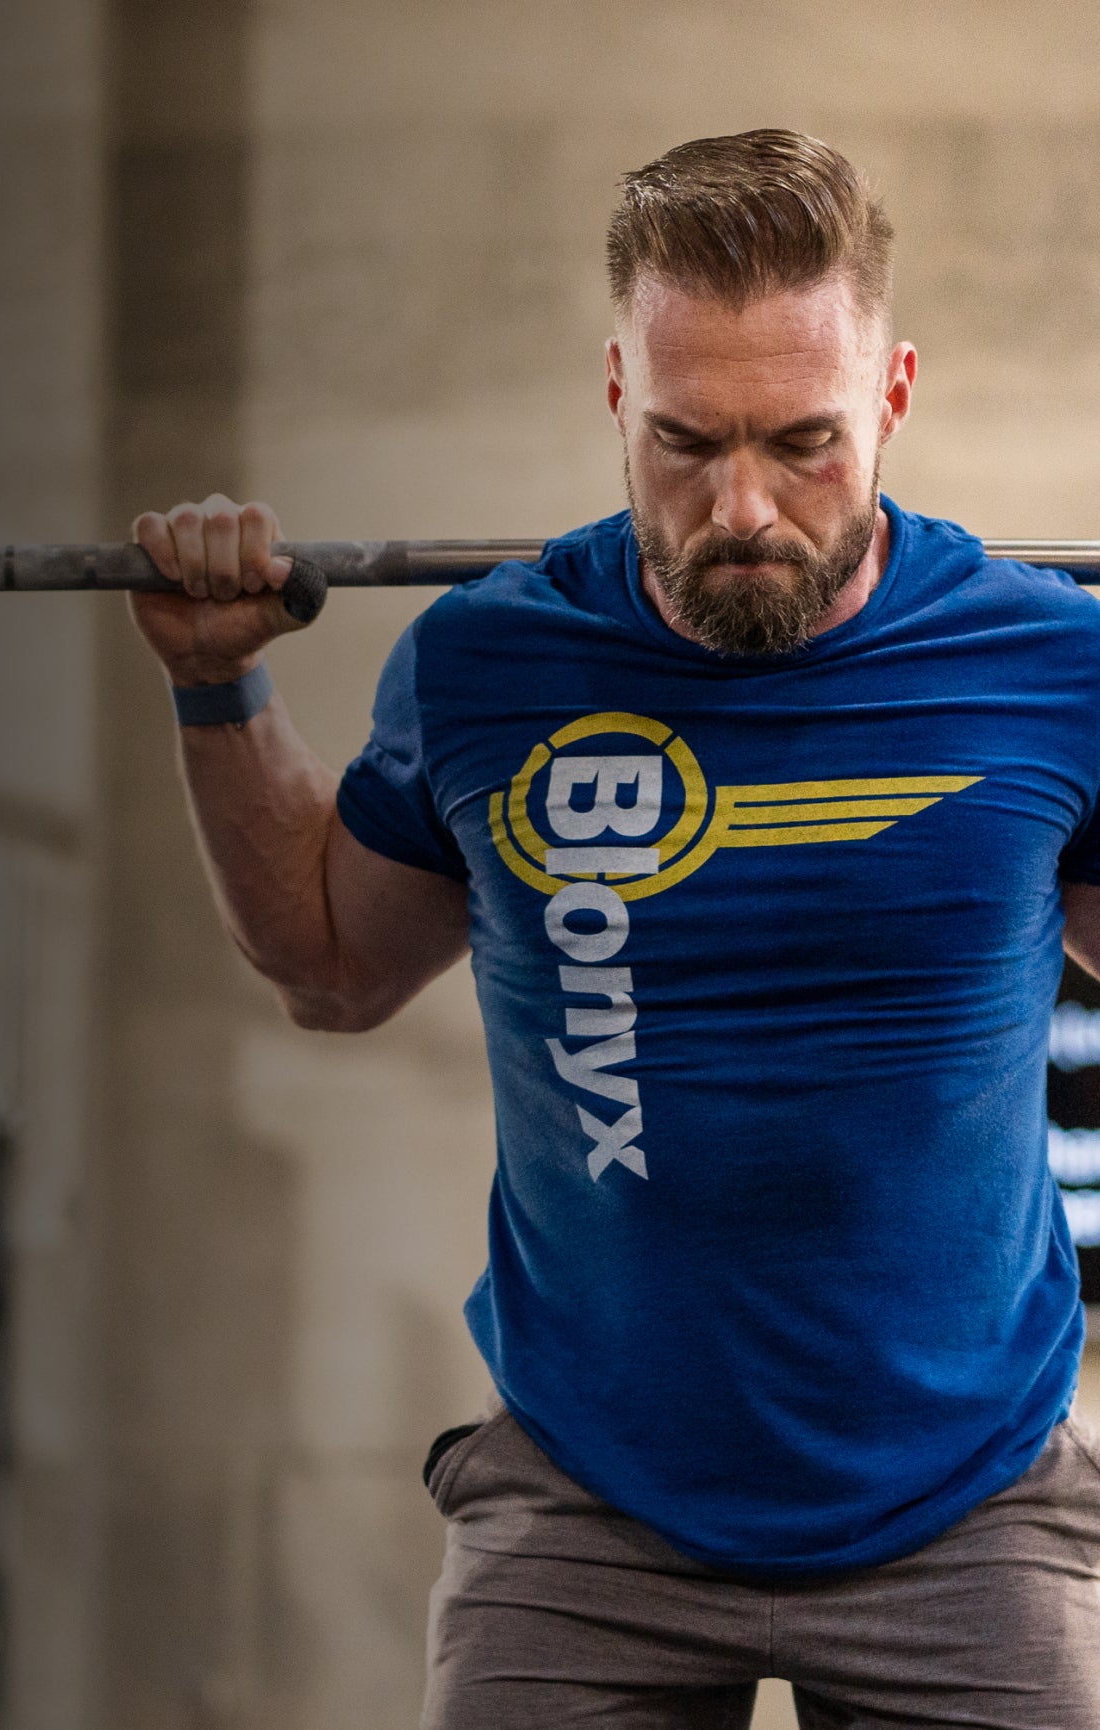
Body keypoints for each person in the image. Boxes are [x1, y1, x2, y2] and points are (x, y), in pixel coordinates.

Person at [128, 130, 1100, 1729]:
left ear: (893, 395)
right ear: (615, 394)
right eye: (685, 442)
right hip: (591, 1500)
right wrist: (215, 682)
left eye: (804, 443)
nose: (742, 507)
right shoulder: (490, 667)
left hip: (966, 1501)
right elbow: (331, 968)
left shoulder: (1052, 671)